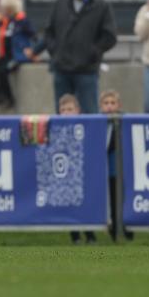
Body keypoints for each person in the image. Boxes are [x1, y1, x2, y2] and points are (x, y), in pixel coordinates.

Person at [44, 0, 117, 114]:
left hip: (87, 71)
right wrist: (56, 52)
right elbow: (48, 32)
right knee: (63, 114)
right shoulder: (60, 4)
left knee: (90, 114)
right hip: (62, 70)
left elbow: (109, 36)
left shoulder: (101, 6)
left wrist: (93, 52)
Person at [0, 0, 36, 110]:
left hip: (17, 56)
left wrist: (32, 51)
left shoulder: (23, 21)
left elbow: (34, 36)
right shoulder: (6, 22)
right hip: (5, 55)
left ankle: (9, 98)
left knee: (2, 72)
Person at [57, 94, 98, 244]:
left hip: (83, 173)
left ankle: (90, 234)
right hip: (66, 174)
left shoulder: (86, 127)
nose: (67, 112)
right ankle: (75, 236)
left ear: (78, 111)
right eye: (63, 109)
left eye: (70, 109)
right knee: (70, 204)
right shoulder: (57, 128)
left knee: (85, 204)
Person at [99, 89, 132, 242]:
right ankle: (114, 229)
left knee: (123, 200)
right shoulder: (98, 123)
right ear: (101, 106)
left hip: (122, 170)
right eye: (106, 103)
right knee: (112, 201)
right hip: (107, 171)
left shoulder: (124, 122)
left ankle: (126, 227)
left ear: (119, 105)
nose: (110, 106)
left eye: (113, 103)